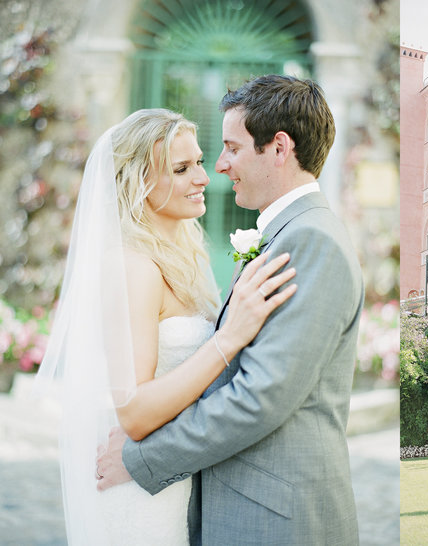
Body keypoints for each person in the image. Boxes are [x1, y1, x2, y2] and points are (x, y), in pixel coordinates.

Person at [96, 75, 364, 544]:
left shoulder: (309, 241)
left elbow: (259, 398)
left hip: (274, 518)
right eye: (187, 166)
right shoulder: (289, 236)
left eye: (231, 149)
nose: (218, 167)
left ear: (279, 148)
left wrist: (143, 457)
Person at [34, 108, 297, 544]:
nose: (202, 177)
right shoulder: (133, 266)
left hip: (174, 482)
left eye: (197, 161)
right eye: (180, 169)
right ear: (138, 182)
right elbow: (134, 412)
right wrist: (231, 338)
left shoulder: (185, 252)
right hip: (139, 500)